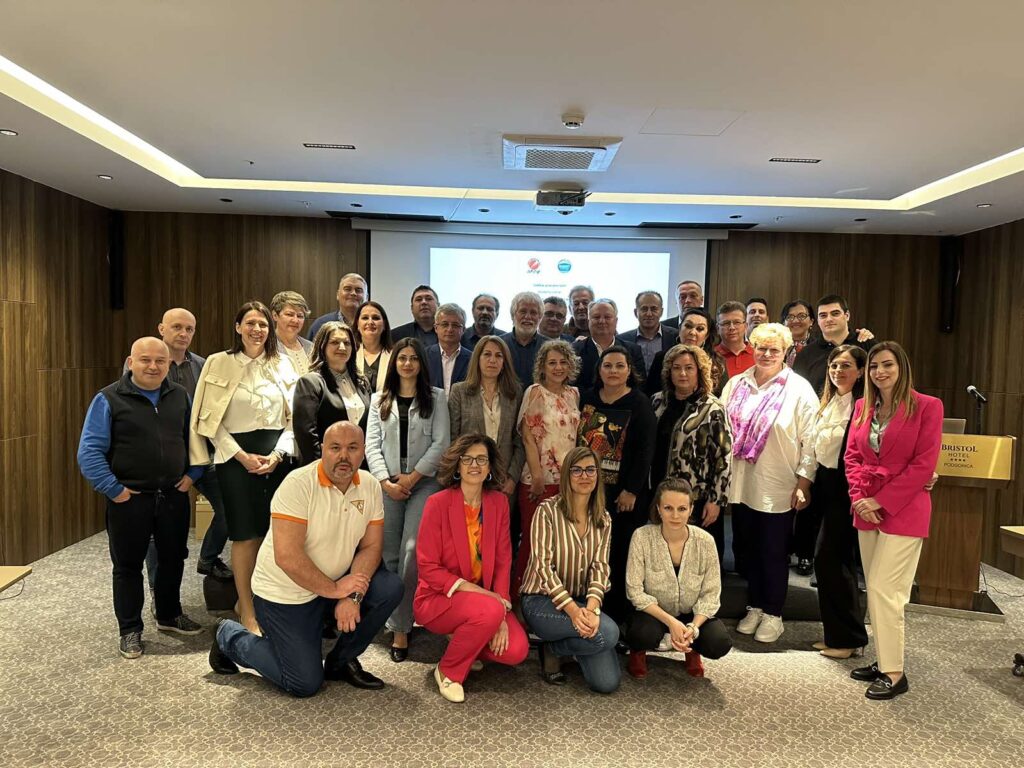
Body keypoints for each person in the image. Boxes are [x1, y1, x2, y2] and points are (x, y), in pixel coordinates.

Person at [209, 422, 403, 697]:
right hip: (285, 593)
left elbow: (371, 547)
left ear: (363, 452)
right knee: (303, 683)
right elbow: (288, 557)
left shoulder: (369, 485)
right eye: (335, 448)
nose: (343, 456)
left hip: (333, 583)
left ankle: (340, 663)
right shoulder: (298, 484)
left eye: (352, 448)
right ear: (322, 450)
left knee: (389, 588)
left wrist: (353, 596)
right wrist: (336, 590)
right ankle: (228, 636)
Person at [78, 337, 204, 658]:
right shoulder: (108, 398)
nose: (153, 366)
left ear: (168, 364)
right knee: (128, 566)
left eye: (160, 361)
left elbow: (195, 441)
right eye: (145, 360)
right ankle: (130, 629)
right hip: (129, 499)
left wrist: (193, 475)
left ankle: (169, 615)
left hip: (173, 495)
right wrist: (114, 490)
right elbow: (89, 451)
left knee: (173, 559)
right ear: (131, 362)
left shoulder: (180, 396)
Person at [189, 300, 299, 635]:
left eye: (263, 324)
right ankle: (247, 609)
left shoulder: (283, 363)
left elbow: (295, 418)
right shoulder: (218, 362)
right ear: (238, 327)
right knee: (245, 535)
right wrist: (241, 456)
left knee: (271, 535)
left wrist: (277, 455)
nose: (257, 330)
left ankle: (262, 602)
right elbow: (209, 419)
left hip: (276, 458)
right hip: (235, 460)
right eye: (250, 323)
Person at [844, 341, 943, 700]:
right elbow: (852, 456)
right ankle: (885, 659)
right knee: (874, 588)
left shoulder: (927, 406)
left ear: (902, 368)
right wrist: (859, 498)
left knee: (887, 590)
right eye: (873, 366)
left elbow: (924, 464)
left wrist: (881, 500)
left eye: (887, 365)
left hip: (905, 509)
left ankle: (895, 674)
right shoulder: (862, 406)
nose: (880, 372)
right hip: (866, 509)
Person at [720, 323, 818, 643]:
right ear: (753, 348)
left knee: (773, 552)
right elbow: (721, 429)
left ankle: (774, 613)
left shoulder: (799, 389)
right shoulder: (737, 383)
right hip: (741, 482)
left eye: (774, 349)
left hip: (778, 484)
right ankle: (755, 606)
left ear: (786, 352)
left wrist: (804, 483)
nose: (767, 354)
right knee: (748, 549)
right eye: (761, 347)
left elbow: (811, 441)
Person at [413, 435, 530, 703]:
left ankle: (467, 641)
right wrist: (492, 604)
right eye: (467, 459)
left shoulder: (498, 503)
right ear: (458, 465)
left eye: (481, 459)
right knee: (489, 611)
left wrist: (501, 610)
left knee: (516, 650)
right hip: (438, 598)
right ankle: (448, 671)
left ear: (490, 467)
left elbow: (503, 561)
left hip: (487, 603)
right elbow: (428, 567)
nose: (474, 465)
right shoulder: (437, 503)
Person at [365, 337, 450, 661]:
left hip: (423, 483)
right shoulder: (379, 399)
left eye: (414, 358)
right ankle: (392, 617)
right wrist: (385, 482)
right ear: (394, 363)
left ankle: (402, 626)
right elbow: (371, 445)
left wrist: (412, 478)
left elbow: (442, 443)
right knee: (388, 555)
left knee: (411, 552)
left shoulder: (436, 397)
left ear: (421, 364)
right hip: (387, 484)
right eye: (402, 358)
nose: (408, 363)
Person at [520, 446, 620, 693]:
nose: (584, 476)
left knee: (606, 683)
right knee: (608, 633)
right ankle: (563, 643)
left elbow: (600, 568)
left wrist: (591, 609)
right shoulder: (547, 511)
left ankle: (556, 648)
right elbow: (543, 568)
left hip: (583, 601)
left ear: (598, 475)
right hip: (541, 601)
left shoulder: (604, 518)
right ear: (566, 475)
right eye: (577, 470)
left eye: (590, 470)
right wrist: (574, 612)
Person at [143, 308, 232, 583]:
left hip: (201, 455)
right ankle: (159, 592)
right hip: (163, 460)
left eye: (189, 329)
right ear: (161, 329)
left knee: (230, 508)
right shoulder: (147, 364)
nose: (183, 334)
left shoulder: (203, 365)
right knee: (160, 532)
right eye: (177, 327)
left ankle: (208, 559)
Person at [577, 345, 657, 622]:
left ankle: (617, 615)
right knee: (589, 551)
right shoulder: (586, 398)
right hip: (588, 491)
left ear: (629, 371)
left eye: (619, 366)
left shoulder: (639, 403)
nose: (613, 371)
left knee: (619, 552)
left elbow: (646, 451)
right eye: (607, 365)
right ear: (598, 370)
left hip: (623, 495)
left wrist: (631, 490)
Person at [624, 478, 732, 679]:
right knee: (641, 634)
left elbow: (711, 594)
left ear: (691, 509)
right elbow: (635, 591)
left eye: (682, 509)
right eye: (668, 508)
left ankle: (692, 649)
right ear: (658, 508)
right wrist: (671, 622)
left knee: (719, 642)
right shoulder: (641, 537)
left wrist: (693, 627)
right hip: (654, 613)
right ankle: (638, 652)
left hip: (691, 613)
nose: (675, 515)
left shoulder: (706, 541)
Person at [809, 344, 869, 659]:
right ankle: (843, 636)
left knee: (832, 560)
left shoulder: (863, 406)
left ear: (861, 372)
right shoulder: (830, 402)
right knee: (831, 562)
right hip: (826, 485)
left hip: (848, 489)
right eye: (834, 365)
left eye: (846, 366)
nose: (838, 371)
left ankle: (847, 639)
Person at [650, 344, 732, 563]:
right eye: (676, 368)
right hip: (661, 493)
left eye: (689, 368)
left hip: (697, 497)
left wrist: (716, 501)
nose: (682, 373)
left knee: (696, 559)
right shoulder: (657, 401)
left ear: (700, 371)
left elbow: (724, 458)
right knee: (664, 556)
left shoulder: (712, 408)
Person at [512, 339, 581, 597]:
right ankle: (519, 595)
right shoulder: (535, 392)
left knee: (558, 543)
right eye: (552, 362)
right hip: (538, 480)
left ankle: (548, 596)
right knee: (533, 541)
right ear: (542, 366)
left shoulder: (574, 394)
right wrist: (537, 475)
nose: (558, 367)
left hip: (567, 482)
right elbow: (528, 437)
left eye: (563, 362)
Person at [447, 336, 525, 497]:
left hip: (503, 480)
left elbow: (519, 440)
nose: (492, 360)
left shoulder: (515, 393)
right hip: (469, 475)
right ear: (477, 359)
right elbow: (453, 439)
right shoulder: (459, 391)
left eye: (499, 356)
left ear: (504, 363)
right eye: (487, 354)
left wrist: (512, 478)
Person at [293, 321, 371, 464]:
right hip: (324, 466)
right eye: (335, 342)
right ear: (322, 346)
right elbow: (306, 435)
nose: (342, 347)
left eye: (347, 343)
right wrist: (323, 467)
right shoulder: (310, 383)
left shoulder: (362, 382)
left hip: (359, 465)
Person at [792, 294, 876, 395]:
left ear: (847, 316)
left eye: (835, 313)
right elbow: (797, 392)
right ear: (818, 320)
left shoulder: (867, 344)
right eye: (823, 315)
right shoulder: (806, 354)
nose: (829, 319)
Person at [644, 307, 728, 397]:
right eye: (688, 326)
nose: (692, 332)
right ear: (680, 329)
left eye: (700, 328)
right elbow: (650, 395)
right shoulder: (661, 358)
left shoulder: (717, 362)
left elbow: (724, 397)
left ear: (706, 335)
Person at [571, 299, 646, 391]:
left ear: (616, 321)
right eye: (596, 317)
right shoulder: (574, 351)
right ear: (588, 321)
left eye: (607, 317)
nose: (602, 321)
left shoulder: (633, 350)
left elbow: (640, 386)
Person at [620, 290, 676, 381]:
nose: (649, 314)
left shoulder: (675, 337)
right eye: (644, 309)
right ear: (635, 312)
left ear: (661, 312)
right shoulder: (622, 340)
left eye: (654, 309)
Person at [499, 291, 551, 387]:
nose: (527, 317)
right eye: (523, 311)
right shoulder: (498, 344)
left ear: (540, 317)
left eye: (533, 312)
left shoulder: (550, 347)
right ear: (513, 315)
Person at [425, 303, 472, 393]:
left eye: (455, 325)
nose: (450, 329)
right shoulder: (424, 356)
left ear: (463, 330)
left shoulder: (473, 359)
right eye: (445, 324)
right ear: (436, 328)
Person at [307, 273, 368, 340]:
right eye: (347, 289)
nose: (353, 293)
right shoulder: (320, 325)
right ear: (338, 295)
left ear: (367, 297)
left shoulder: (372, 326)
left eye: (358, 290)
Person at [353, 300, 393, 393]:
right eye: (365, 318)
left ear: (384, 325)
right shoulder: (349, 354)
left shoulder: (394, 355)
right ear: (357, 324)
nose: (370, 322)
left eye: (375, 318)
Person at [271, 290, 313, 376]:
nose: (295, 320)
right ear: (275, 315)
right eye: (289, 314)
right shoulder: (266, 346)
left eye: (300, 316)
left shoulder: (311, 347)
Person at [714, 301, 756, 378]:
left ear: (746, 326)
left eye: (737, 322)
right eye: (726, 323)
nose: (732, 327)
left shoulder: (758, 354)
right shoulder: (710, 356)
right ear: (717, 328)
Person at [781, 299, 815, 368]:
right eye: (790, 317)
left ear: (811, 321)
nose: (795, 321)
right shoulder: (777, 346)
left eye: (802, 316)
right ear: (784, 322)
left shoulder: (818, 348)